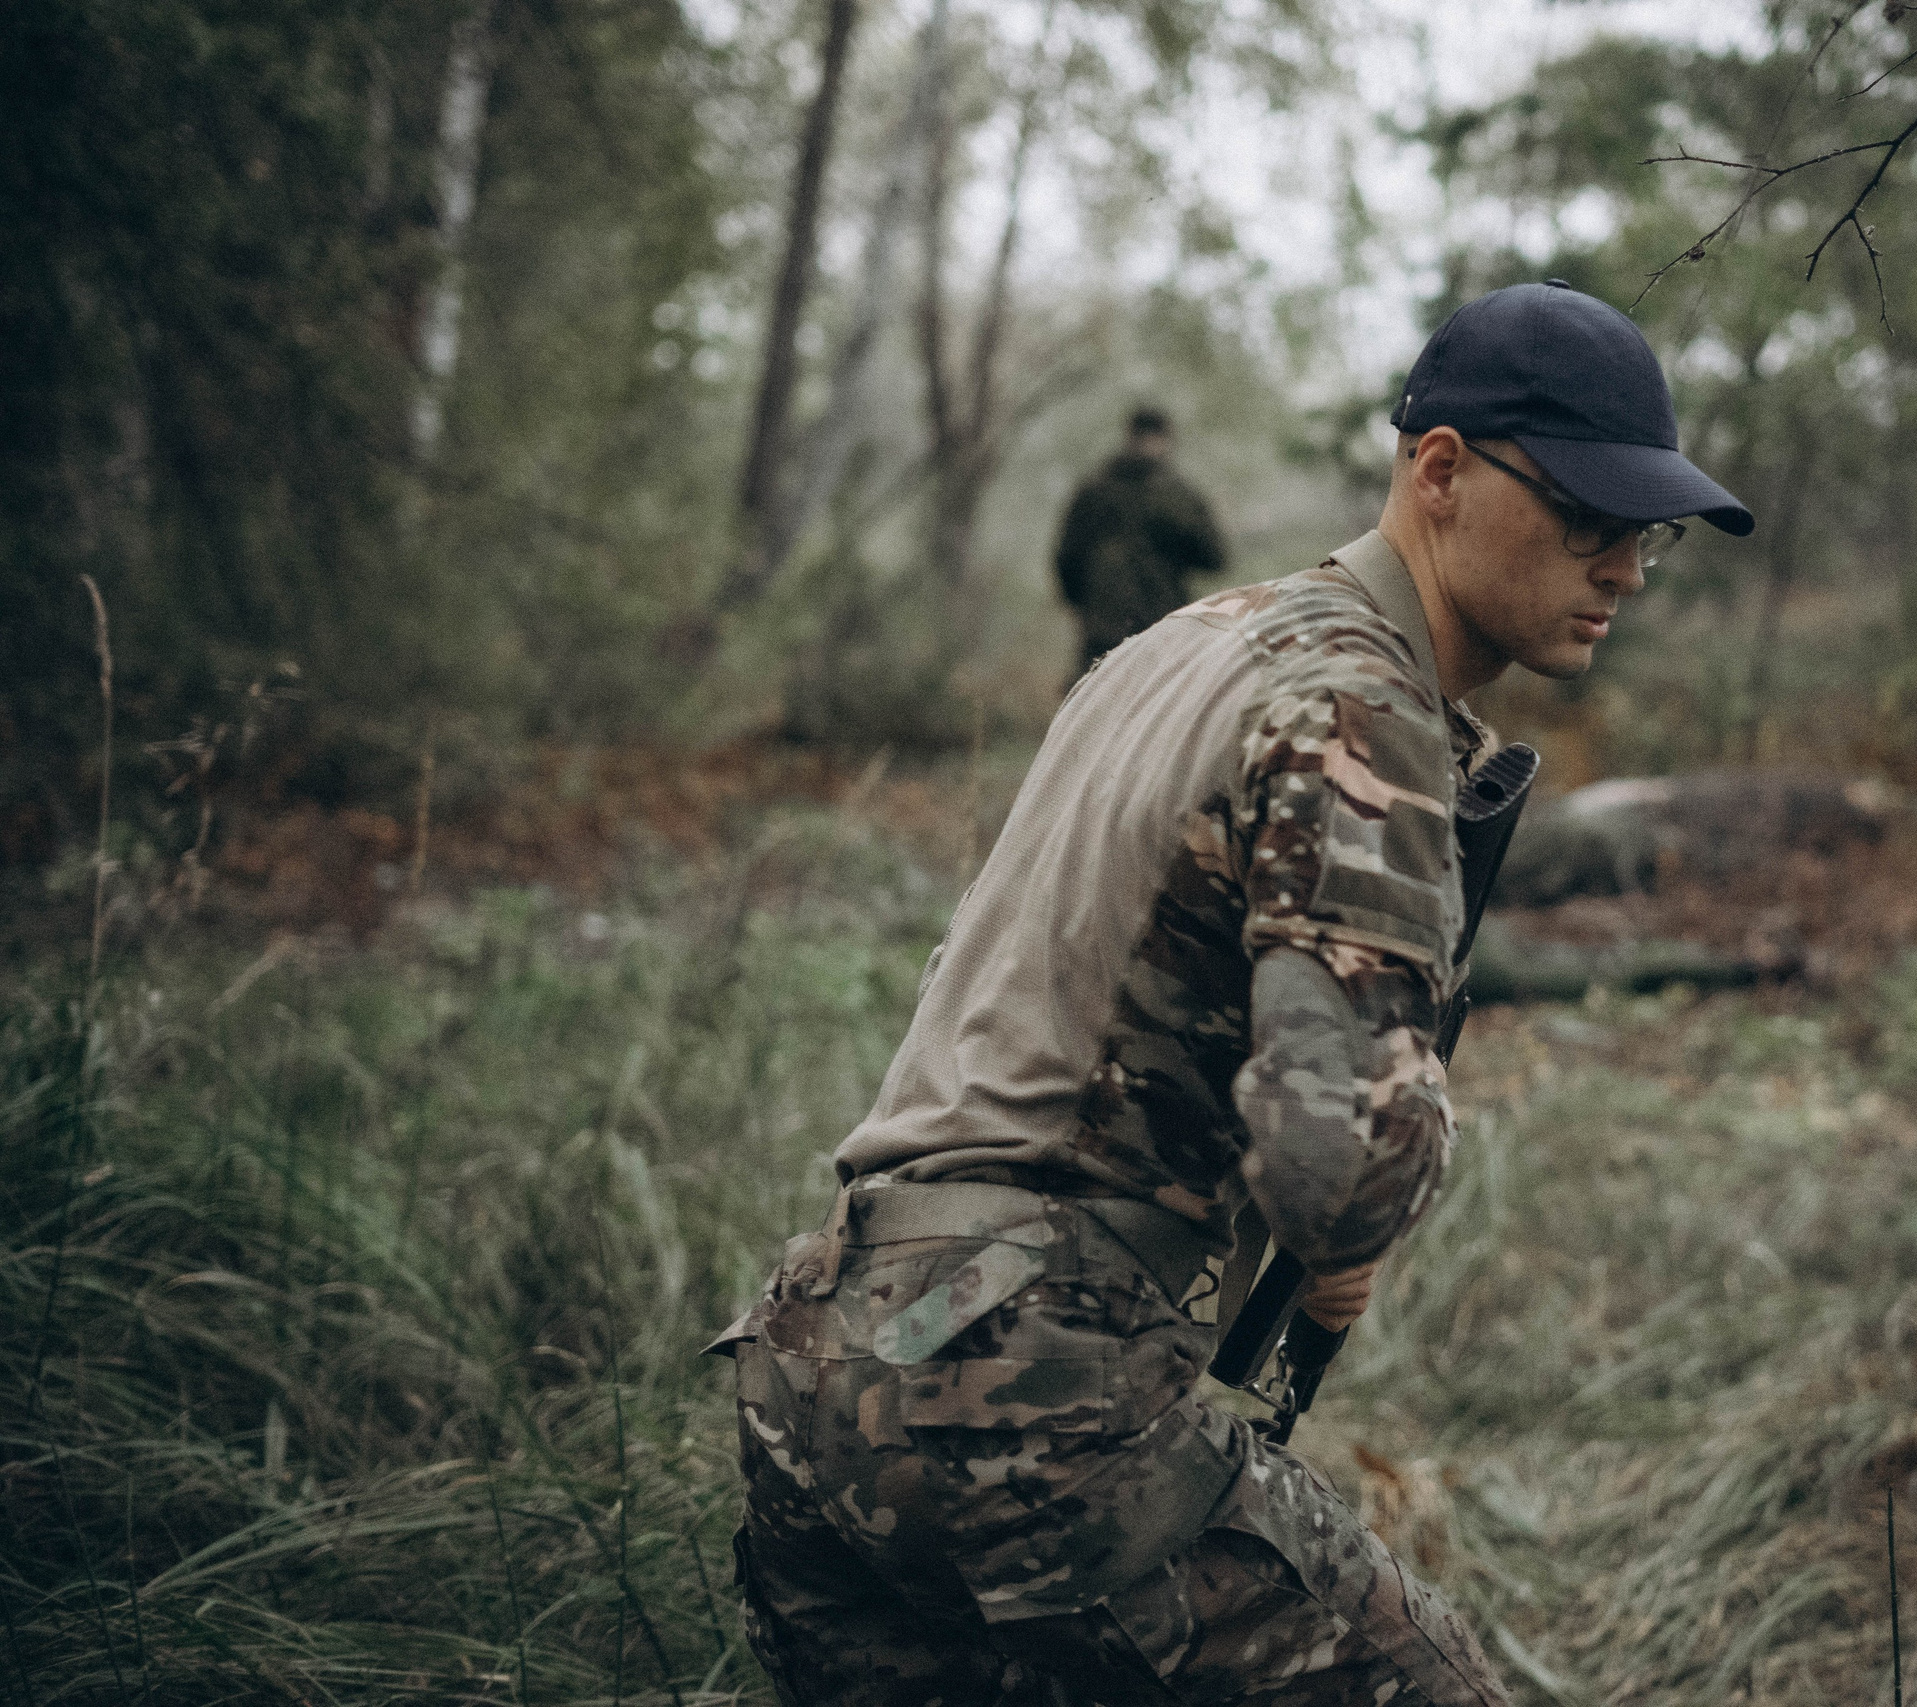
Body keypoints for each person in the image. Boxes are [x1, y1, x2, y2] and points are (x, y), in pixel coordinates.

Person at [713, 279, 1752, 1707]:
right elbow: (1338, 1169)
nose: (1626, 566)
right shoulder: (1358, 704)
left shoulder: (1177, 645)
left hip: (822, 1362)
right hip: (1021, 1386)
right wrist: (1402, 1143)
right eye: (1590, 517)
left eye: (1654, 533)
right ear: (1439, 470)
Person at [1054, 406, 1228, 673]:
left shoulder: (1095, 488)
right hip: (1155, 628)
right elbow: (1215, 558)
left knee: (1098, 705)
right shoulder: (1178, 495)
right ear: (1166, 440)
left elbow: (1067, 560)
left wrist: (1085, 609)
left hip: (1122, 628)